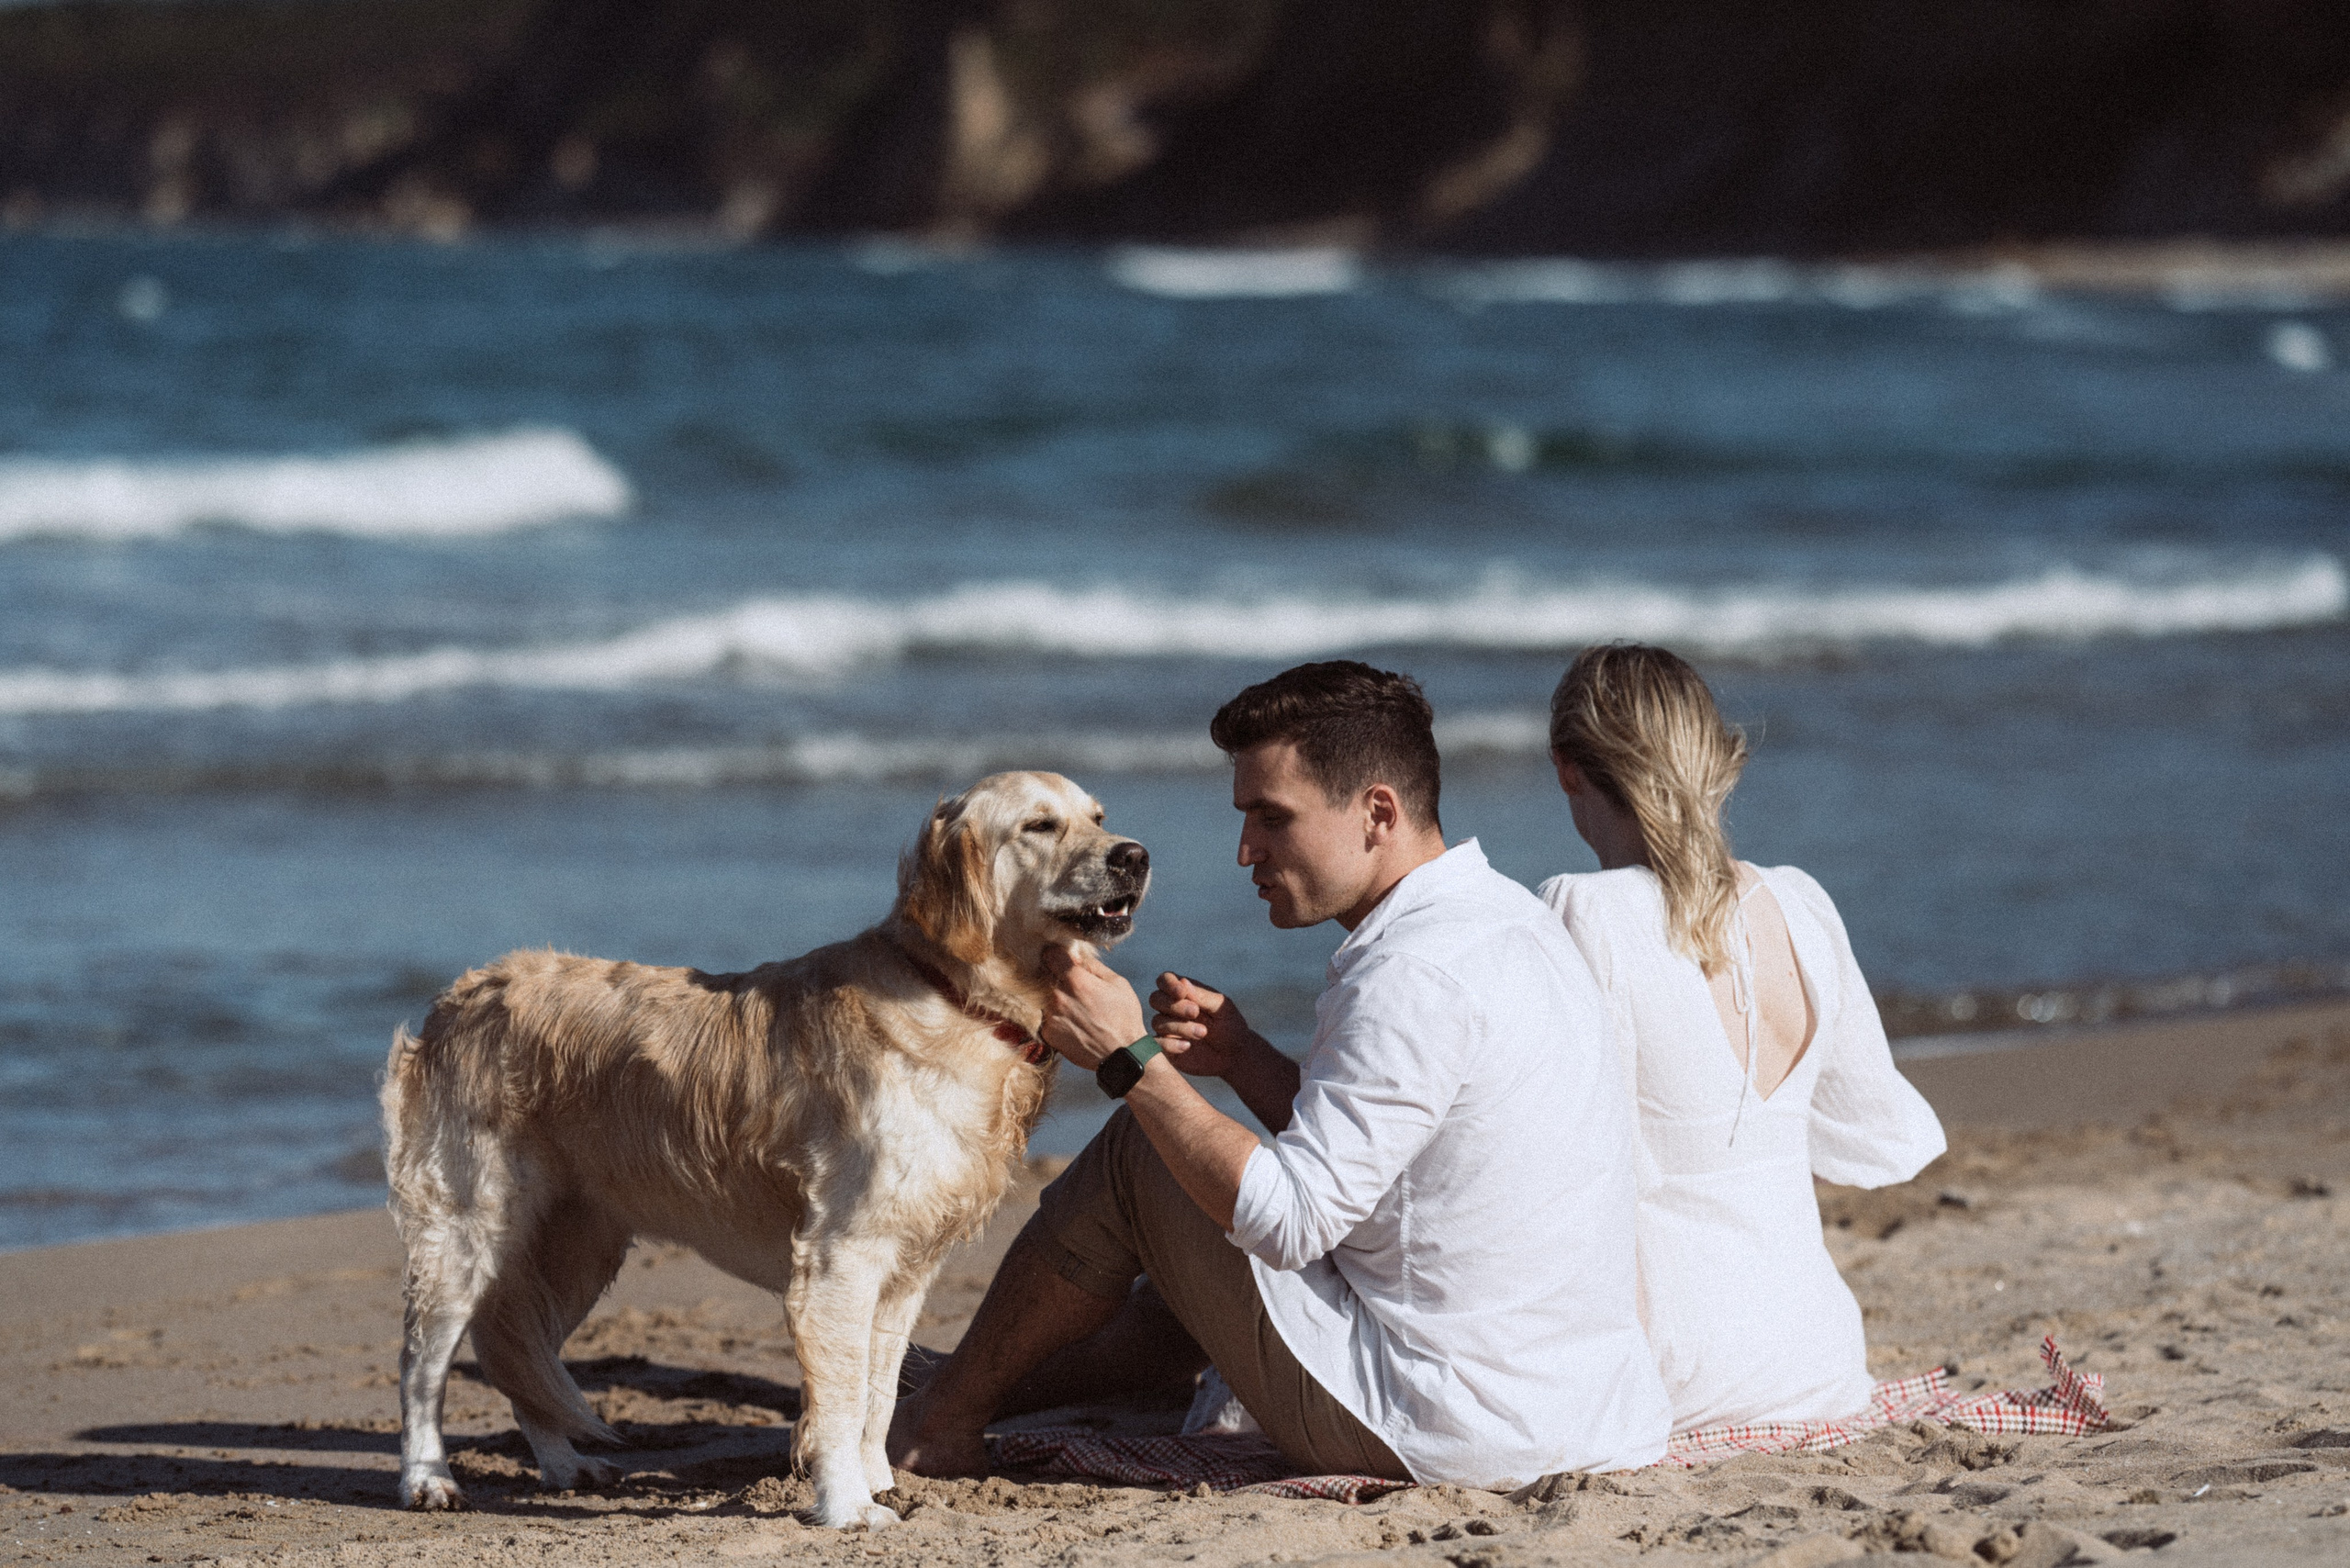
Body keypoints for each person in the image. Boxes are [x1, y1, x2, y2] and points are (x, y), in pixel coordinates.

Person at [891, 660, 1670, 1489]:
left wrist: (1133, 1063)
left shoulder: (1410, 974)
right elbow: (1400, 1166)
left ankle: (935, 1425)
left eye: (1272, 817)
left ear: (1377, 812)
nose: (1244, 851)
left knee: (1142, 1153)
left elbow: (1293, 1220)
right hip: (1586, 1412)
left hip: (1454, 1430)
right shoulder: (1509, 919)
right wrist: (1246, 1061)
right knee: (1193, 1212)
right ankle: (971, 1384)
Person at [1538, 644, 1945, 1433]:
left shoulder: (1586, 911)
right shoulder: (1801, 903)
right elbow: (1869, 1135)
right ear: (1719, 758)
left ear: (1568, 770)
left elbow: (1575, 1177)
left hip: (1675, 1378)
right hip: (1819, 1360)